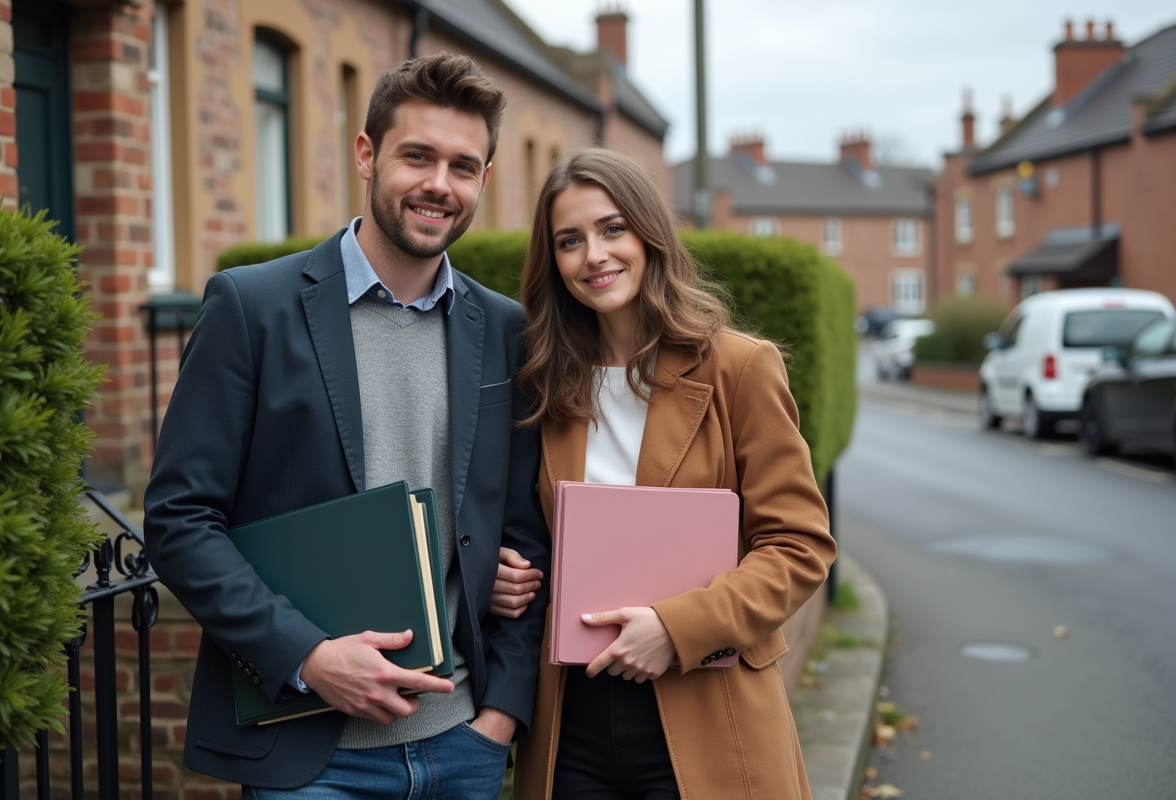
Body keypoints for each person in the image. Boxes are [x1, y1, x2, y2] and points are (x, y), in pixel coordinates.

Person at [144, 52, 549, 800]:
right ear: (367, 155)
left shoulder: (506, 330)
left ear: (484, 181)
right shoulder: (251, 308)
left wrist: (501, 716)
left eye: (463, 166)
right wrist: (306, 656)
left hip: (465, 747)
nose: (439, 184)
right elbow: (180, 520)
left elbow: (525, 535)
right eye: (417, 156)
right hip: (312, 757)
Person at [493, 148, 837, 800]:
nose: (594, 255)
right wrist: (503, 575)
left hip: (710, 708)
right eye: (570, 240)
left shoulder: (739, 368)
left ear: (649, 233)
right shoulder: (544, 382)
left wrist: (679, 629)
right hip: (572, 721)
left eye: (612, 229)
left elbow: (799, 546)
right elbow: (528, 533)